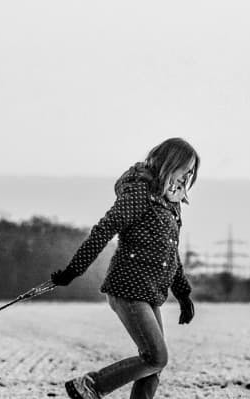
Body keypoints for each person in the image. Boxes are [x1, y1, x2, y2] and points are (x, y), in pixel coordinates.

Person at [51, 137, 199, 399]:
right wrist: (74, 270)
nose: (188, 175)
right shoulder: (140, 191)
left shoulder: (171, 200)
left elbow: (170, 251)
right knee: (156, 357)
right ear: (170, 163)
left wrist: (183, 294)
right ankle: (91, 386)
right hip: (128, 288)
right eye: (185, 168)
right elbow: (105, 229)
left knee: (152, 367)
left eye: (191, 171)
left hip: (151, 291)